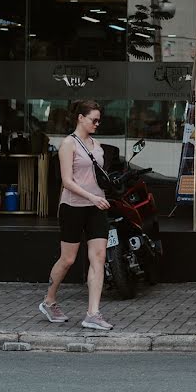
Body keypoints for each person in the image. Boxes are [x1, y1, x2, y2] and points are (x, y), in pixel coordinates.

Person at [39, 100, 113, 331]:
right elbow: (67, 182)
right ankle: (49, 300)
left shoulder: (96, 144)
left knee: (98, 257)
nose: (97, 124)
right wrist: (91, 197)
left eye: (99, 120)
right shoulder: (68, 144)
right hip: (73, 207)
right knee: (68, 259)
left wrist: (99, 196)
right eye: (94, 119)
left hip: (96, 207)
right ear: (80, 118)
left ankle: (93, 313)